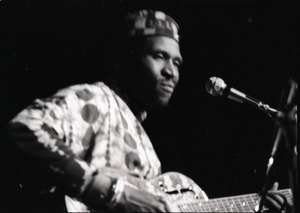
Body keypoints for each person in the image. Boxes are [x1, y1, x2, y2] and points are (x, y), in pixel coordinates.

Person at [7, 9, 291, 212]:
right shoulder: (97, 100)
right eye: (159, 56)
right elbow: (25, 128)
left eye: (177, 63)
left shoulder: (143, 145)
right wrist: (116, 194)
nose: (171, 72)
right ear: (125, 59)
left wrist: (259, 207)